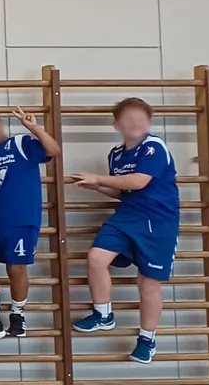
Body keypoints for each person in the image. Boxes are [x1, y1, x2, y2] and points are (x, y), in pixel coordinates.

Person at [70, 97, 180, 364]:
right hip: (127, 216)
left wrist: (99, 179)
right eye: (128, 119)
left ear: (149, 123)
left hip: (157, 221)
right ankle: (103, 314)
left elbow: (139, 181)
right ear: (116, 124)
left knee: (148, 282)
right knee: (96, 257)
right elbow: (122, 190)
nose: (134, 123)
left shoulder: (154, 146)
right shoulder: (116, 155)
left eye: (140, 119)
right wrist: (96, 186)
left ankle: (147, 339)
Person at [0, 106, 60, 339]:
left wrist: (34, 127)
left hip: (22, 220)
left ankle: (18, 315)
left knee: (15, 268)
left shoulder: (21, 143)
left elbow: (53, 150)